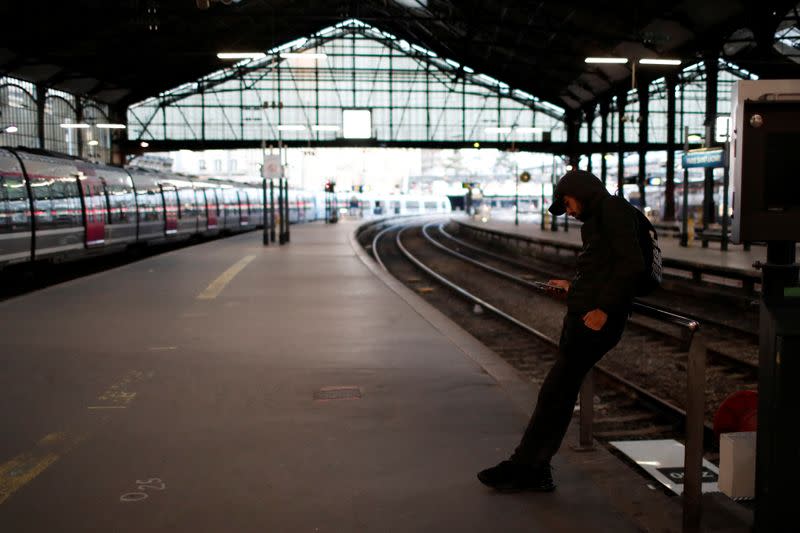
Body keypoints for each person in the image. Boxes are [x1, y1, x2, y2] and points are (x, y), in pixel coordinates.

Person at [477, 169, 646, 492]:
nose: (567, 211)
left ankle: (525, 467)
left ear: (581, 192)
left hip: (595, 322)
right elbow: (602, 269)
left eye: (567, 203)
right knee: (557, 395)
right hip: (584, 317)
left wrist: (604, 309)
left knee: (555, 395)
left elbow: (631, 265)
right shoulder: (601, 217)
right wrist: (573, 287)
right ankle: (534, 468)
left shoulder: (611, 210)